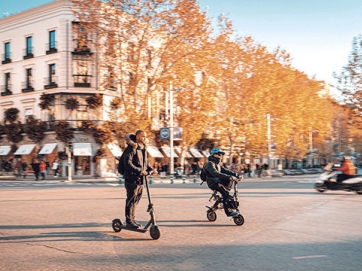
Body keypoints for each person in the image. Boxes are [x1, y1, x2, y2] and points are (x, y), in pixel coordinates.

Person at [123, 130, 157, 229]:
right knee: (131, 200)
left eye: (145, 137)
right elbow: (127, 163)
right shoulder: (130, 148)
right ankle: (129, 221)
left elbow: (145, 162)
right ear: (138, 136)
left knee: (136, 200)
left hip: (140, 179)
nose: (145, 138)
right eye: (143, 136)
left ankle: (132, 220)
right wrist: (140, 171)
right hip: (131, 178)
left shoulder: (142, 148)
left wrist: (151, 169)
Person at [204, 147, 240, 217]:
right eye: (218, 154)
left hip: (217, 181)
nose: (220, 156)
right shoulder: (210, 164)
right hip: (213, 182)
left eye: (221, 154)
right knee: (225, 193)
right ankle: (228, 212)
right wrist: (228, 177)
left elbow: (226, 171)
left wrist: (236, 175)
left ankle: (217, 205)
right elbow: (215, 173)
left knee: (226, 195)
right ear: (213, 154)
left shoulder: (218, 164)